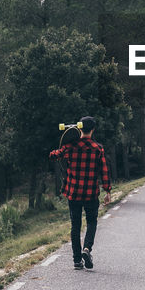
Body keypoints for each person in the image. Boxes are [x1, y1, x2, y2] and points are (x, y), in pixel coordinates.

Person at [49, 116, 112, 270]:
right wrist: (108, 191)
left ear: (79, 128)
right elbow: (104, 171)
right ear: (93, 130)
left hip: (73, 193)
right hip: (91, 193)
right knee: (91, 222)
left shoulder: (70, 147)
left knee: (75, 226)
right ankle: (87, 249)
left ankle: (77, 260)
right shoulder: (98, 148)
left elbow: (53, 155)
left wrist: (62, 145)